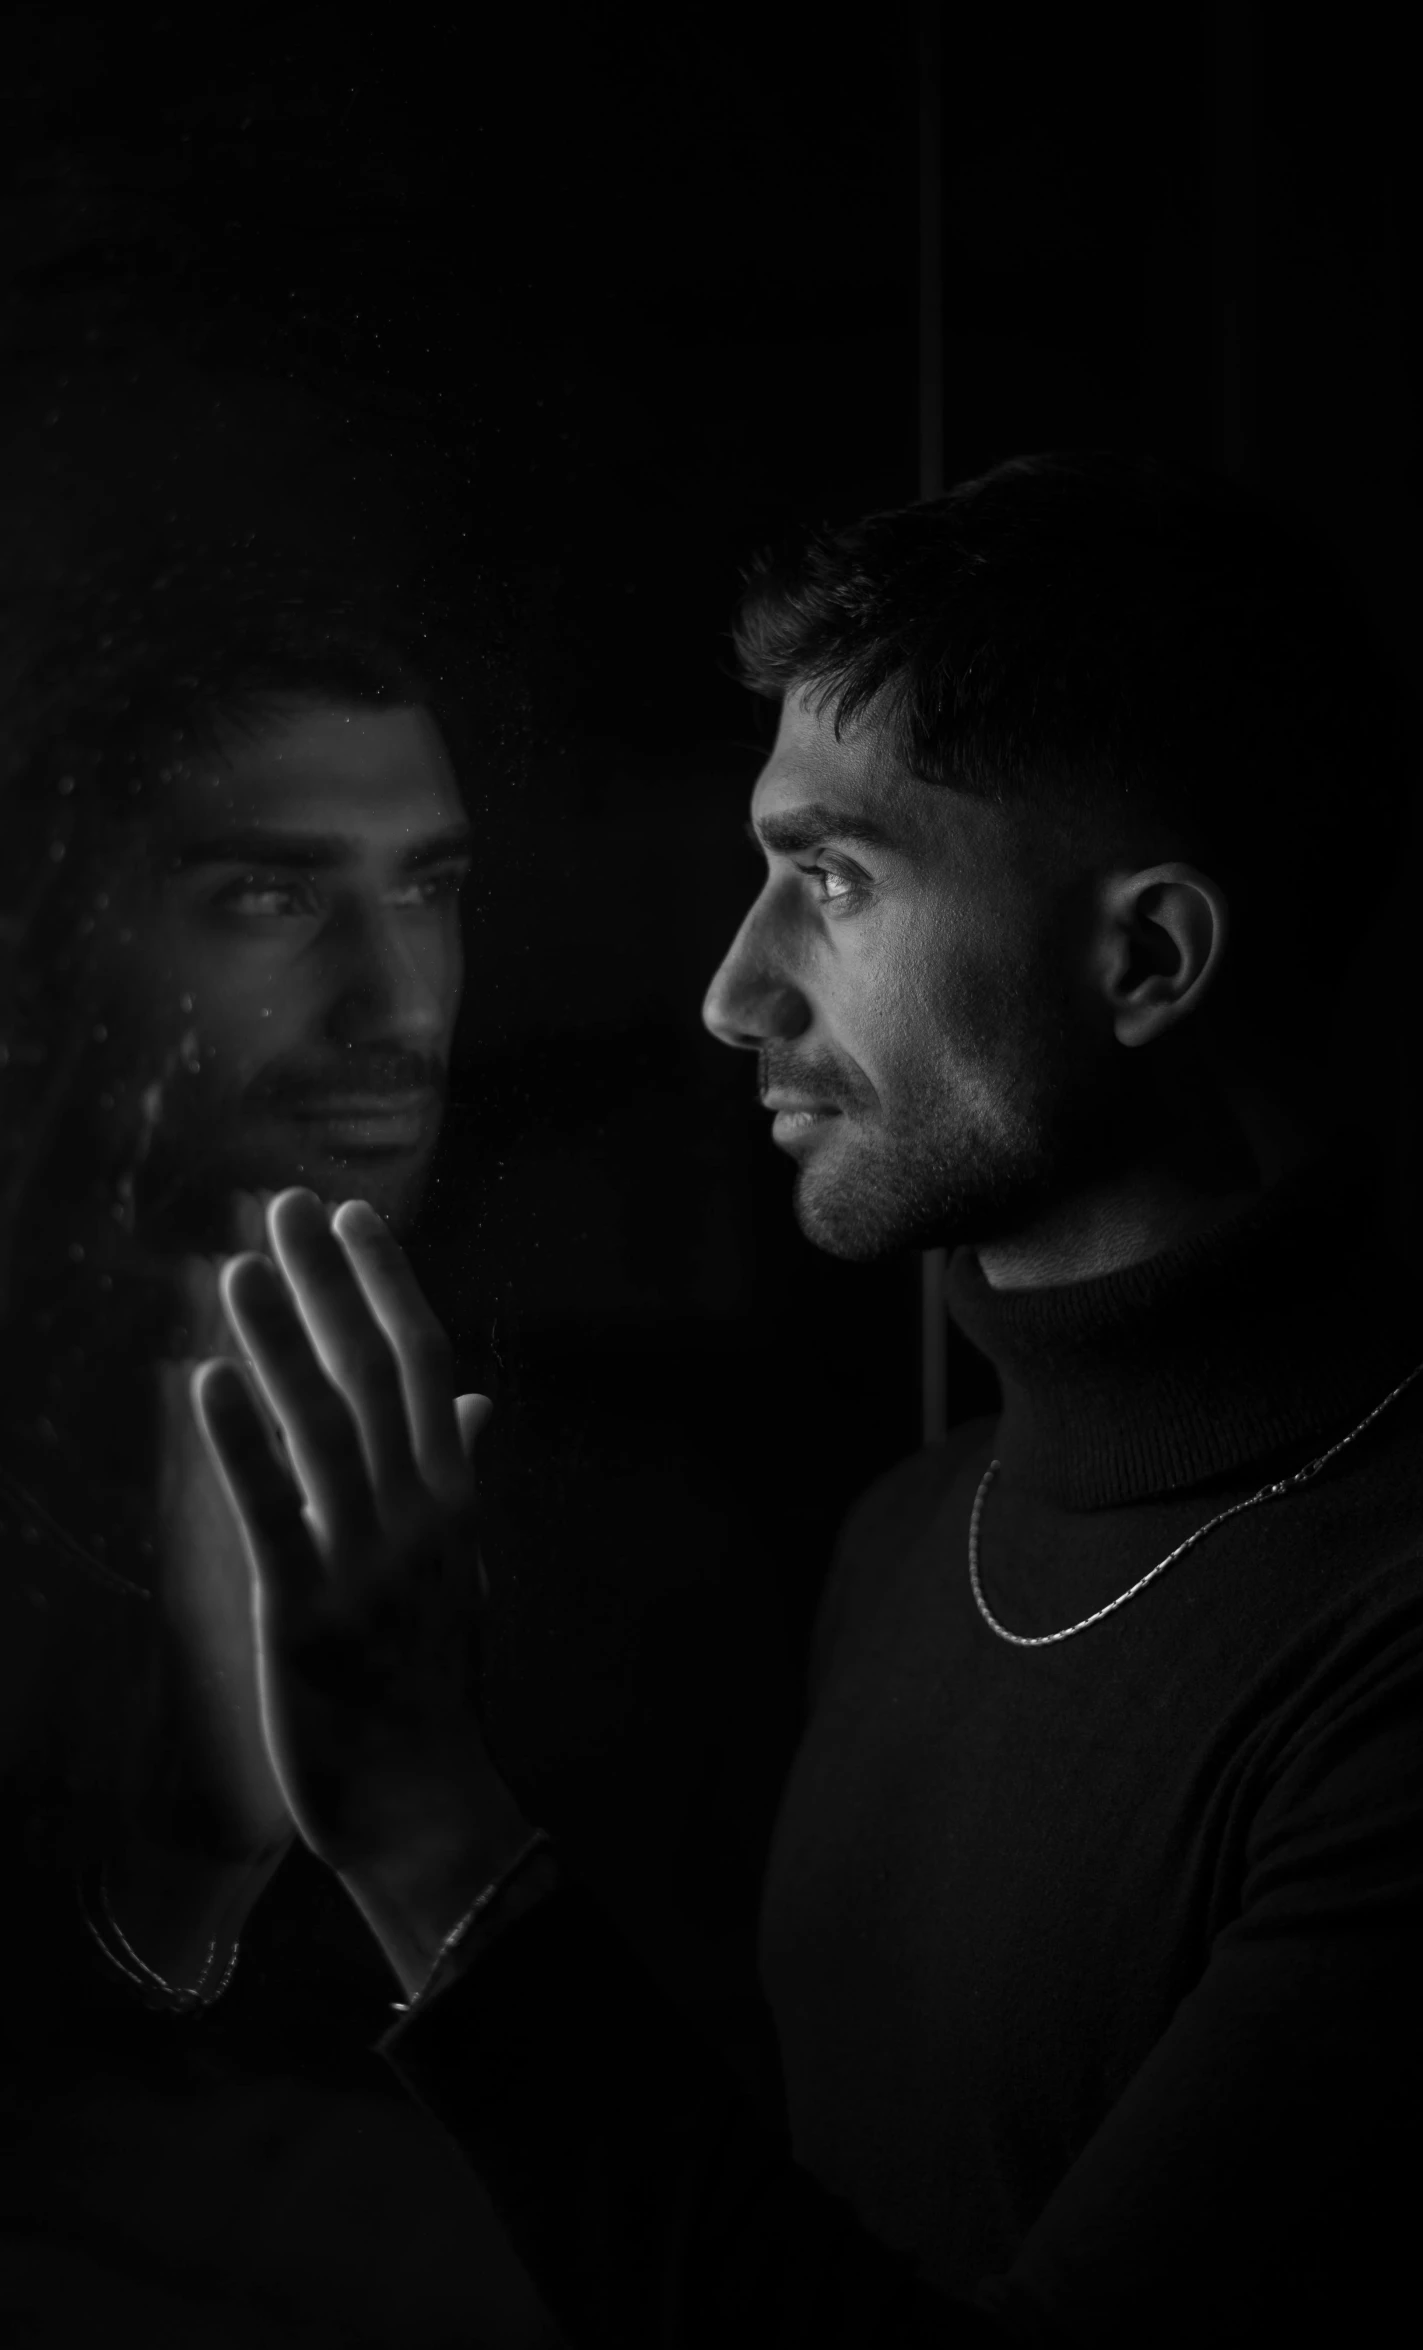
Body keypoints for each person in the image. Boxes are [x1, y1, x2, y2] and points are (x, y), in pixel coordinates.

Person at [193, 454, 1423, 2346]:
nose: (733, 990)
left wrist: (424, 1825)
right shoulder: (911, 1535)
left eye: (832, 877)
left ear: (1145, 958)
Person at [0, 362, 549, 2343]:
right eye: (268, 896)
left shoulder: (597, 1448)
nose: (390, 1001)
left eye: (432, 890)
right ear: (75, 930)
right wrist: (202, 1853)